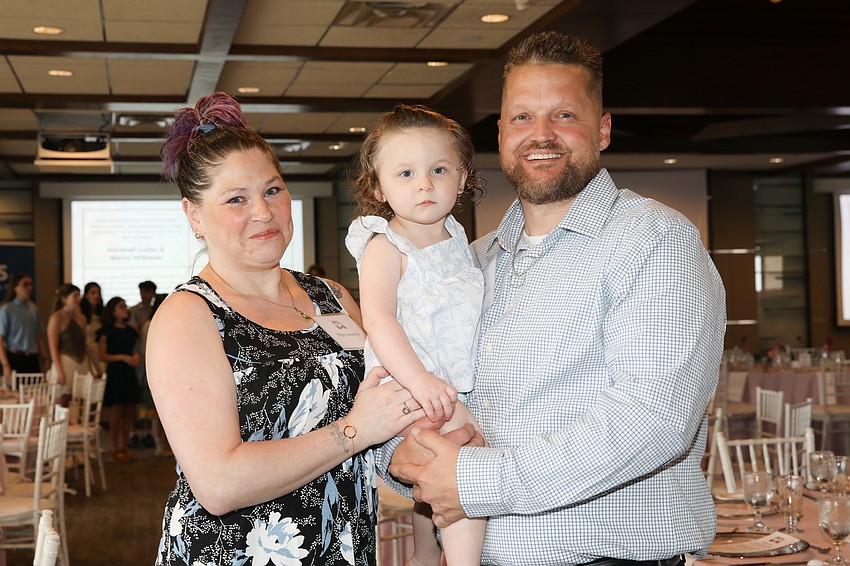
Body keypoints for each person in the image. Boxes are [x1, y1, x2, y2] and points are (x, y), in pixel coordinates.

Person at [385, 31, 727, 566]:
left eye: (564, 115)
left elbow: (653, 419)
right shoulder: (472, 262)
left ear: (603, 129)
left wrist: (472, 479)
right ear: (500, 134)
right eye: (522, 117)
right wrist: (401, 456)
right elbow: (415, 383)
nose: (539, 135)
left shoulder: (656, 242)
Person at [148, 91, 422, 565]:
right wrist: (353, 431)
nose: (262, 211)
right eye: (236, 199)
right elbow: (217, 483)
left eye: (272, 190)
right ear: (194, 216)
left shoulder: (332, 297)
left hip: (341, 545)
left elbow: (392, 407)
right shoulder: (188, 316)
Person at [345, 104, 486, 566]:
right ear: (379, 186)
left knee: (433, 484)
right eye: (405, 173)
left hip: (452, 379)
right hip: (409, 379)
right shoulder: (385, 244)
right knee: (465, 466)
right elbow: (380, 319)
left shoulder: (458, 240)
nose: (424, 183)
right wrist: (420, 380)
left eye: (438, 169)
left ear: (463, 178)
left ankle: (426, 558)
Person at [97, 296, 142, 463]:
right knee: (117, 412)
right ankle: (115, 448)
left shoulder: (131, 331)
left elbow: (137, 348)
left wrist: (136, 356)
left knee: (130, 410)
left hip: (129, 372)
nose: (125, 309)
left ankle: (125, 446)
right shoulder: (106, 330)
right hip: (115, 372)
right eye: (121, 306)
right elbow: (101, 354)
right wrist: (123, 357)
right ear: (113, 311)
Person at [46, 283, 98, 404]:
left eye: (79, 296)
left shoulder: (82, 318)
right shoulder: (56, 317)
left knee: (81, 400)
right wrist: (59, 371)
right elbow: (53, 347)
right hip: (65, 362)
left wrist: (90, 369)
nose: (78, 299)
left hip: (81, 362)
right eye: (75, 296)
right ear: (64, 299)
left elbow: (85, 345)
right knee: (63, 400)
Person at [0, 272, 50, 385]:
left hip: (32, 358)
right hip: (15, 357)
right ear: (15, 288)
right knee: (15, 395)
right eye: (25, 284)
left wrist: (45, 359)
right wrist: (5, 365)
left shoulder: (34, 309)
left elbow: (38, 338)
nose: (28, 288)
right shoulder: (6, 309)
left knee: (34, 393)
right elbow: (0, 340)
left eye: (30, 284)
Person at [139, 292, 170, 456]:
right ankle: (159, 445)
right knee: (155, 413)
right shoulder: (150, 324)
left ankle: (165, 445)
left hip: (166, 370)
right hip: (154, 369)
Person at [80, 281, 105, 374]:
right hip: (86, 353)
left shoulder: (102, 315)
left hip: (99, 353)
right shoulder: (81, 315)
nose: (96, 296)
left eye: (98, 293)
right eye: (93, 293)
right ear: (86, 295)